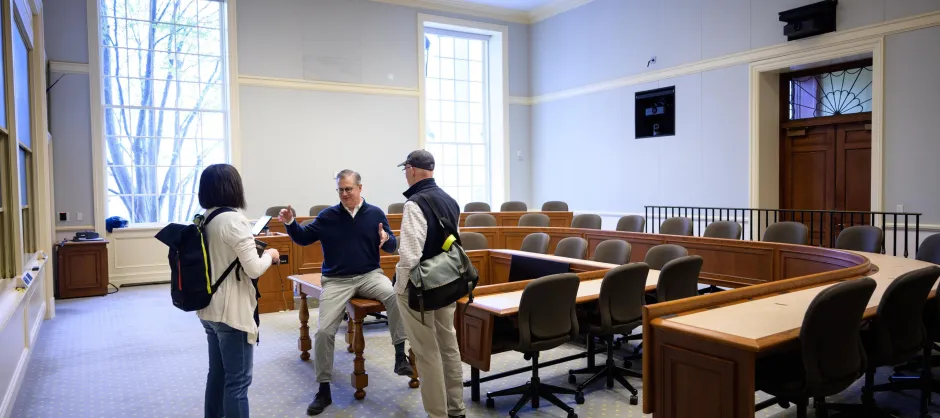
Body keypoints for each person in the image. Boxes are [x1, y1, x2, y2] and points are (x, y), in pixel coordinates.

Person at [278, 169, 414, 416]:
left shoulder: (375, 214)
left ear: (360, 188)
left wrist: (387, 241)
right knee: (323, 331)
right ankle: (323, 388)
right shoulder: (328, 216)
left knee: (394, 295)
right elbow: (303, 238)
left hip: (369, 275)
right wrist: (290, 223)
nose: (344, 194)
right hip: (336, 280)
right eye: (340, 190)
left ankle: (399, 356)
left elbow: (392, 244)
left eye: (348, 189)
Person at [197, 164, 280, 418]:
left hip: (208, 309)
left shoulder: (204, 217)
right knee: (238, 383)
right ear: (233, 187)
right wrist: (270, 255)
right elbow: (254, 269)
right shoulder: (233, 220)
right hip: (231, 313)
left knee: (218, 375)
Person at [394, 150, 467, 418]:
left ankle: (437, 414)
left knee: (426, 353)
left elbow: (410, 256)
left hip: (421, 290)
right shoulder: (450, 200)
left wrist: (399, 288)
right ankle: (456, 409)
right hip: (447, 283)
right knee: (448, 346)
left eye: (405, 170)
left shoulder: (414, 203)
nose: (405, 174)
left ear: (412, 170)